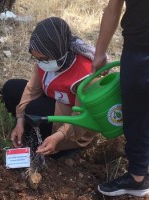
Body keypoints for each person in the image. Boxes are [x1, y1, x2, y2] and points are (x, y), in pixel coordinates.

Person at [2, 17, 97, 158]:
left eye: (43, 59)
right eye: (37, 59)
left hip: (73, 124)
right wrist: (20, 120)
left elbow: (81, 118)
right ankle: (28, 130)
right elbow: (32, 89)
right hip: (52, 102)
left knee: (35, 110)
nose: (40, 63)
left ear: (58, 50)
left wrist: (59, 136)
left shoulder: (86, 74)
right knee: (11, 88)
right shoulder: (48, 58)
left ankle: (59, 145)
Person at [92, 0, 149, 197]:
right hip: (137, 50)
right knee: (135, 116)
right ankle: (137, 177)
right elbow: (113, 8)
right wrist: (99, 52)